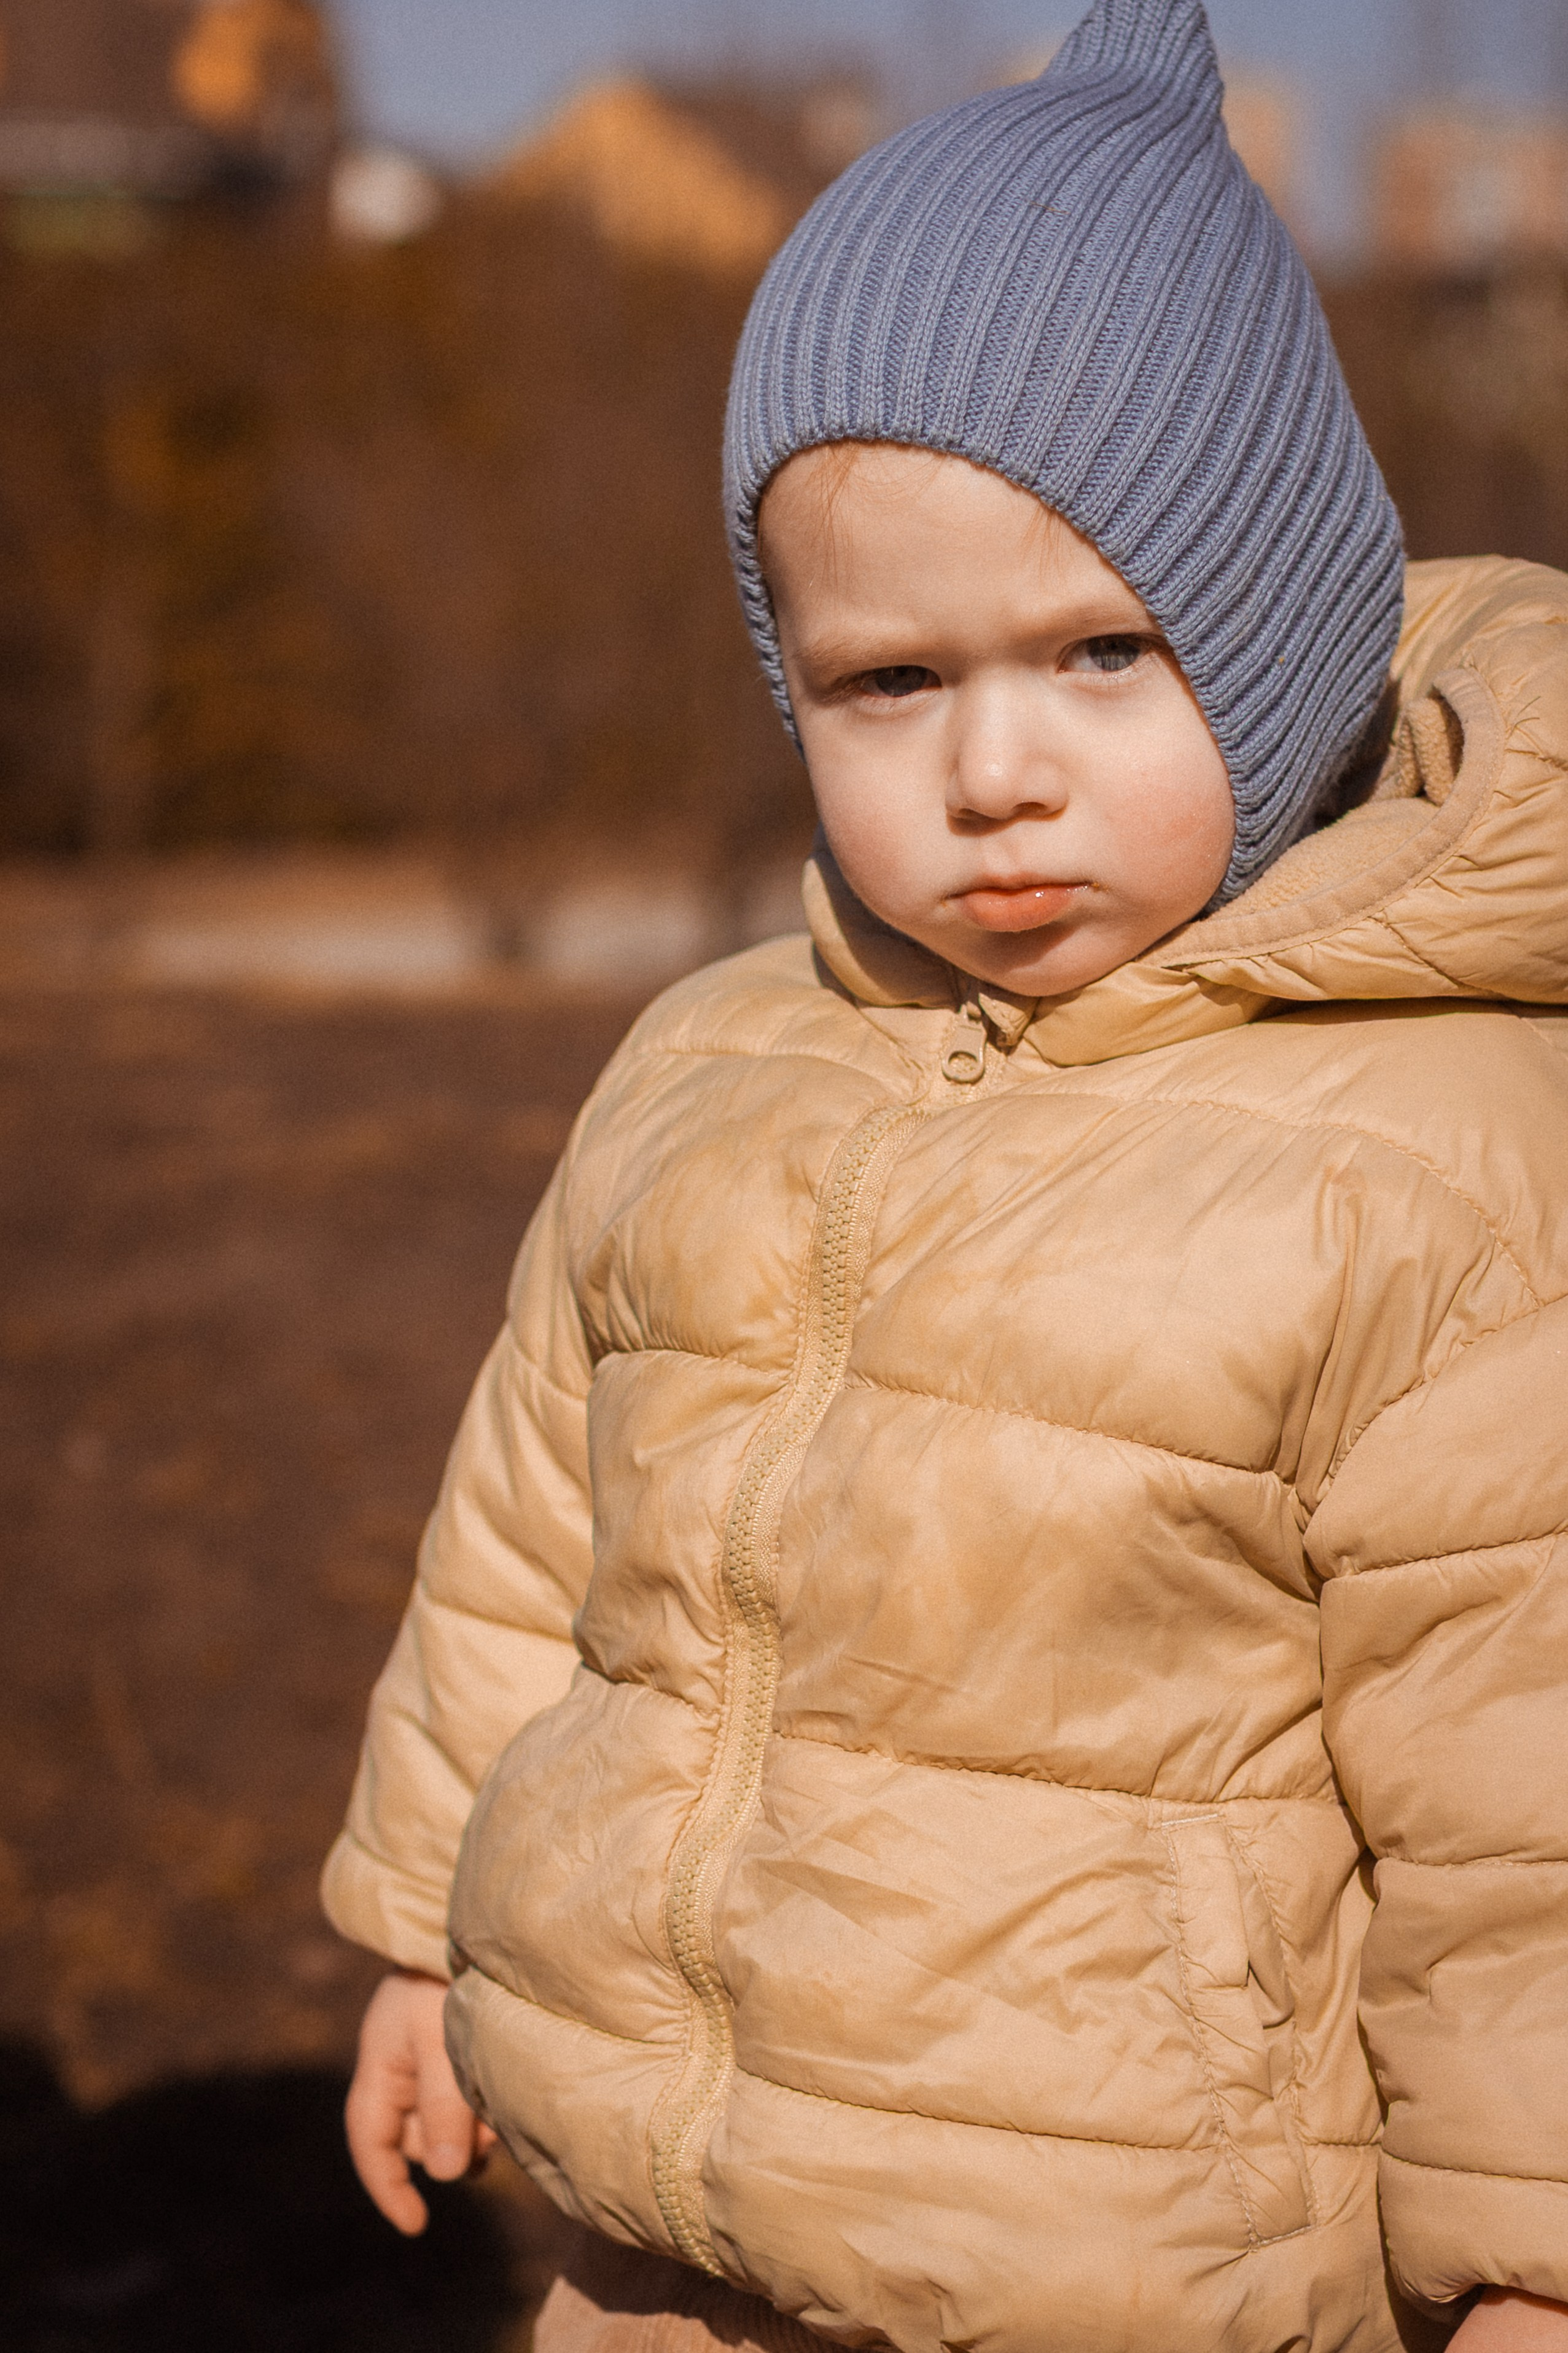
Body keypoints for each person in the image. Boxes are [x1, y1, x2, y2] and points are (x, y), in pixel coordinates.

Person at [321, 1, 1568, 2345]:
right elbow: (523, 1544)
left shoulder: (1439, 1167)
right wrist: (424, 1925)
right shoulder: (710, 1066)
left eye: (1104, 654)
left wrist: (1532, 2261)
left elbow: (1528, 1793)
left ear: (1284, 646)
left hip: (1130, 2279)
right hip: (657, 2252)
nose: (995, 769)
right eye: (892, 682)